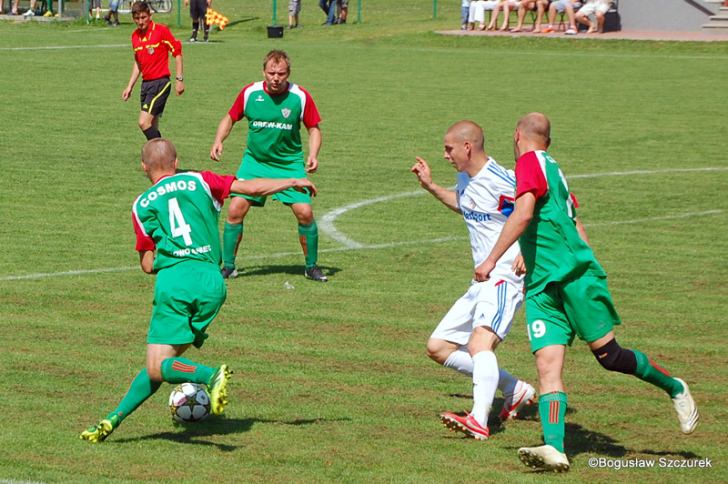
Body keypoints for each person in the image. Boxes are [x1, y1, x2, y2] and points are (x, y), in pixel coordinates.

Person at [477, 112, 699, 471]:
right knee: (547, 365)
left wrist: (491, 260)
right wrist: (530, 253)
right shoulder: (552, 166)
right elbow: (571, 220)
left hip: (573, 278)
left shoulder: (530, 162)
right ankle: (555, 449)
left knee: (610, 356)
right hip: (542, 283)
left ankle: (674, 386)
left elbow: (522, 214)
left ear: (518, 136)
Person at [80, 138, 317, 443]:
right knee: (160, 365)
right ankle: (112, 420)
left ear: (143, 167)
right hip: (212, 284)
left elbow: (147, 265)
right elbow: (252, 188)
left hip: (176, 284)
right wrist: (293, 179)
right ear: (176, 162)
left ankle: (209, 376)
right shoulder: (201, 180)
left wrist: (166, 254)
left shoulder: (142, 204)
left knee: (159, 364)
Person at [411, 120, 536, 440]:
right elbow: (466, 206)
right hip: (482, 279)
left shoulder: (502, 179)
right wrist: (432, 187)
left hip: (506, 275)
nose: (445, 154)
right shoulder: (465, 178)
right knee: (438, 347)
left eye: (449, 148)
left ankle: (479, 420)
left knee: (480, 343)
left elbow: (535, 209)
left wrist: (527, 247)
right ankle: (514, 388)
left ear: (468, 147)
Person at [210, 50, 327, 283]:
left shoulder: (300, 96)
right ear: (263, 72)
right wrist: (218, 140)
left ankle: (311, 267)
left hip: (289, 164)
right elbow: (231, 117)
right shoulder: (250, 93)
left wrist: (313, 154)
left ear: (288, 74)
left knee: (305, 213)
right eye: (271, 73)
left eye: (281, 73)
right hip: (255, 163)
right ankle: (229, 266)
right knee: (235, 210)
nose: (276, 78)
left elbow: (314, 128)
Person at [122, 1, 184, 141]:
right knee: (152, 126)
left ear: (150, 15)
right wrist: (129, 86)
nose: (141, 22)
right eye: (137, 18)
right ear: (133, 19)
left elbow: (177, 53)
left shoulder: (161, 31)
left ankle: (165, 154)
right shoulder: (134, 36)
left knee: (143, 122)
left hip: (160, 84)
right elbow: (138, 63)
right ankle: (159, 160)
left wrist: (179, 79)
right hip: (146, 85)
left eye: (144, 17)